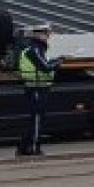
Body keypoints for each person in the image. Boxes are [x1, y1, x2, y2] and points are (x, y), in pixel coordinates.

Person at [17, 25, 64, 156]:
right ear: (38, 35)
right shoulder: (34, 49)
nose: (48, 36)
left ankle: (23, 148)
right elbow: (45, 67)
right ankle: (34, 148)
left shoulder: (39, 49)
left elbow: (45, 63)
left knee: (35, 119)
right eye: (45, 33)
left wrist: (56, 60)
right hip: (36, 88)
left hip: (40, 87)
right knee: (37, 119)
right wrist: (59, 62)